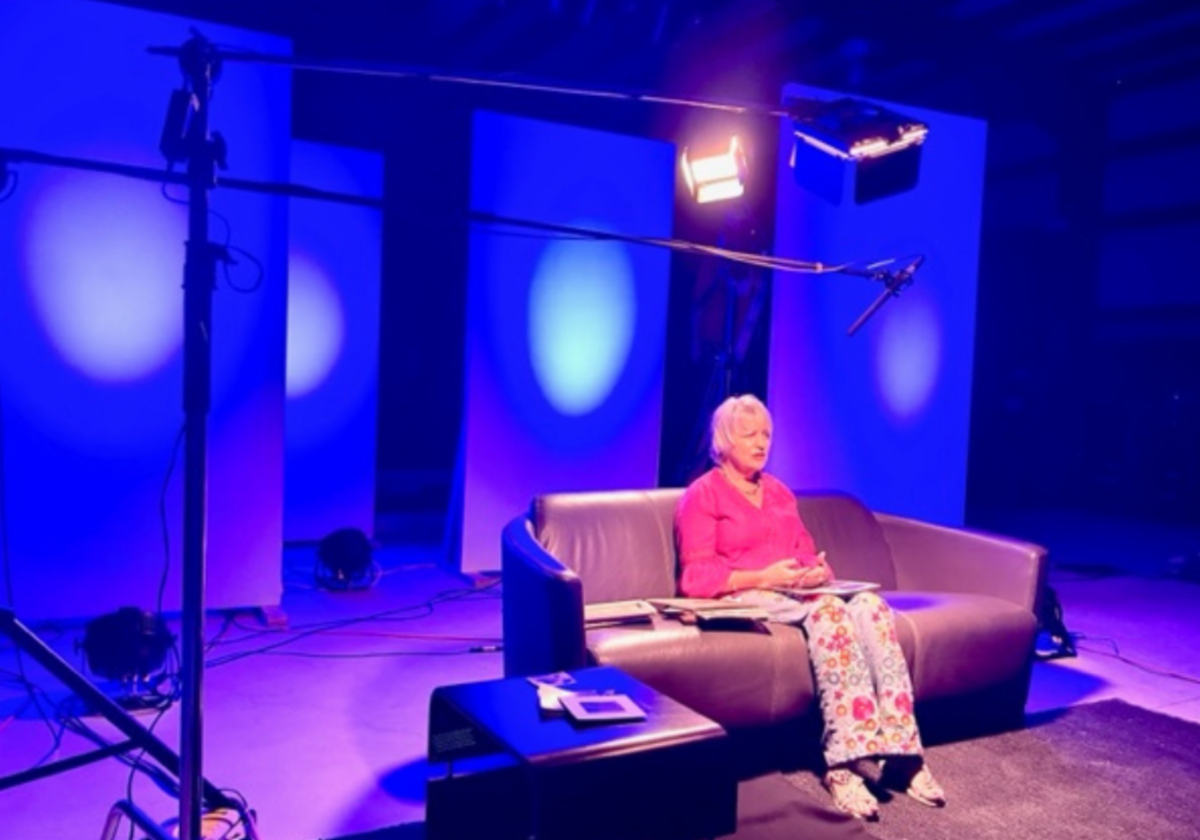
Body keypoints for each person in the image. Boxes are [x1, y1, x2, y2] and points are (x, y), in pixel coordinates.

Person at [674, 394, 945, 821]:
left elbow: (805, 552)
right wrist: (764, 577)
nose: (761, 443)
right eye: (749, 435)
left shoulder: (779, 493)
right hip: (742, 595)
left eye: (766, 435)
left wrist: (817, 571)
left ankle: (903, 755)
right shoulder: (702, 494)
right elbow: (695, 578)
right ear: (724, 441)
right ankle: (843, 764)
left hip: (793, 592)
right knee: (829, 613)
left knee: (871, 606)